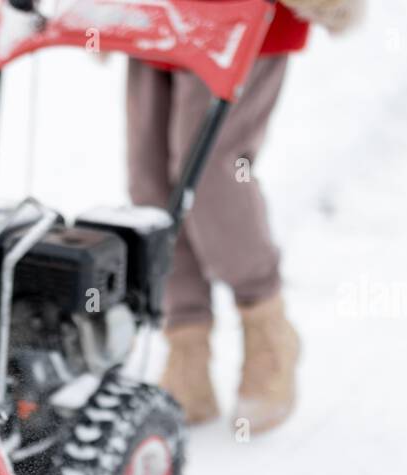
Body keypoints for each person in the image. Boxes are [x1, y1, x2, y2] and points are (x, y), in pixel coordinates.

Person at [126, 0, 365, 434]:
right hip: (154, 13)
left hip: (242, 14)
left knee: (210, 170)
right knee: (151, 180)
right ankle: (187, 347)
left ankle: (267, 332)